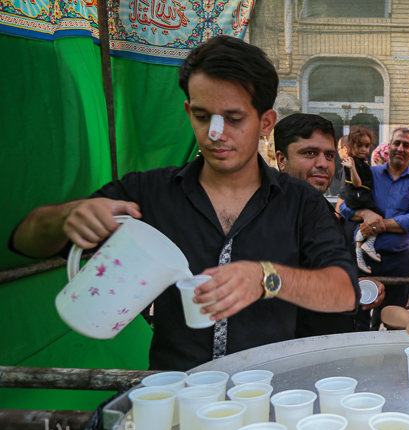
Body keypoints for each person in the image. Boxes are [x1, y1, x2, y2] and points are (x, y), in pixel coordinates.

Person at [9, 36, 358, 371]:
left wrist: (266, 277)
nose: (216, 134)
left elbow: (344, 292)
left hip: (264, 394)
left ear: (265, 122)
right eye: (203, 116)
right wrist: (65, 217)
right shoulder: (148, 192)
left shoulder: (301, 203)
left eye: (234, 119)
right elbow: (24, 241)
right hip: (176, 391)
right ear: (189, 111)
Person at [272, 113, 385, 337]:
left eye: (329, 155)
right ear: (281, 160)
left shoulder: (319, 209)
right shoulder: (272, 214)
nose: (323, 164)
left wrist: (353, 284)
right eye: (309, 153)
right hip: (295, 349)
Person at [338, 127, 409, 331]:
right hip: (363, 259)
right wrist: (365, 214)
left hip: (399, 261)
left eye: (406, 145)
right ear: (388, 147)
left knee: (395, 320)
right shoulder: (368, 173)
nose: (400, 148)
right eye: (396, 143)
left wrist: (377, 225)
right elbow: (344, 208)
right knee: (358, 317)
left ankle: (391, 352)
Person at [341, 126, 383, 273]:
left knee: (364, 222)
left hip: (361, 195)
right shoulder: (351, 163)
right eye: (360, 146)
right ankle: (368, 243)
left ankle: (359, 256)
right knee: (378, 215)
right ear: (350, 146)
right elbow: (357, 183)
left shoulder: (362, 162)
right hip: (358, 197)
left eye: (367, 146)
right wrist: (352, 168)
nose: (364, 150)